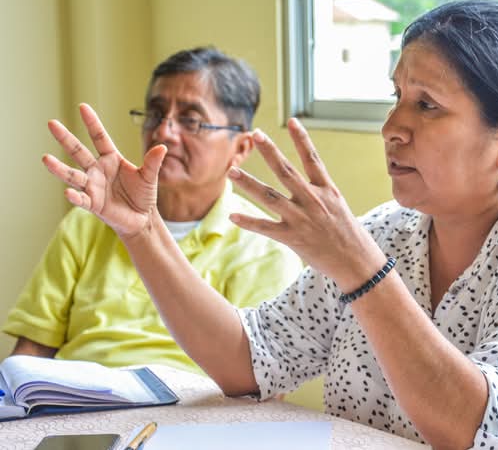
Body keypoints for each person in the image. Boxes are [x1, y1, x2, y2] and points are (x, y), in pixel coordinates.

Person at [40, 0, 498, 449]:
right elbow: (249, 362)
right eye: (397, 97)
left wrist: (362, 270)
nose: (392, 128)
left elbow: (480, 433)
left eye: (427, 105)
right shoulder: (389, 233)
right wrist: (142, 229)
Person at [4, 47, 302, 374]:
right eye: (155, 114)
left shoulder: (265, 249)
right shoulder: (88, 222)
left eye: (191, 120)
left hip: (189, 403)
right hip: (71, 398)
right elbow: (32, 349)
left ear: (241, 147)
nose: (162, 132)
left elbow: (264, 383)